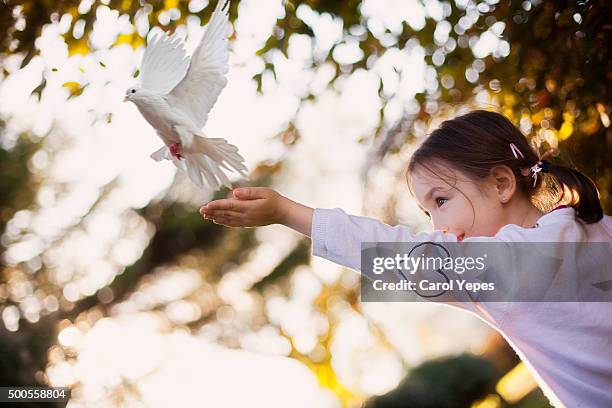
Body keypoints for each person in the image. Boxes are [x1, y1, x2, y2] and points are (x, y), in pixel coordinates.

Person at [199, 110, 611, 407]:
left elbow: (389, 249)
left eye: (442, 201)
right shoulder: (596, 226)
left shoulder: (494, 271)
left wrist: (289, 214)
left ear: (502, 183)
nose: (437, 226)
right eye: (427, 213)